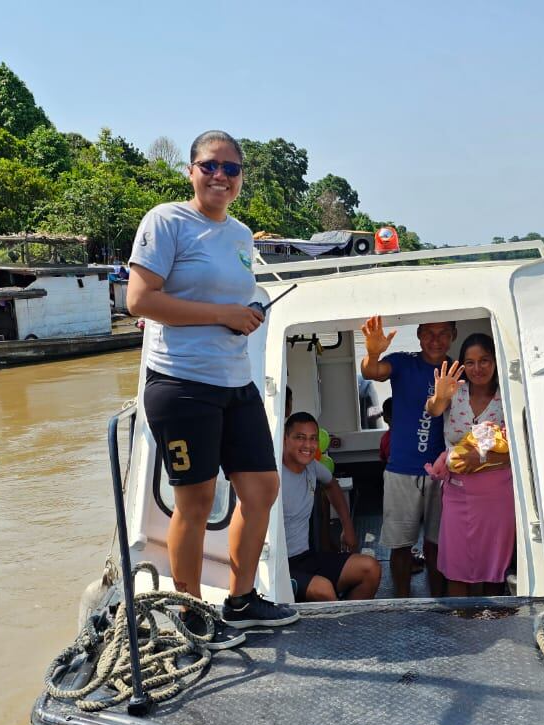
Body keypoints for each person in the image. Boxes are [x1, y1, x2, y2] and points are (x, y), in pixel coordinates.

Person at [126, 130, 297, 629]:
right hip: (181, 384)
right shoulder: (166, 221)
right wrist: (222, 314)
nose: (220, 176)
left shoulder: (242, 235)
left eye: (231, 169)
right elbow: (140, 300)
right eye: (210, 166)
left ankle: (242, 600)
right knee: (196, 501)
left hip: (234, 381)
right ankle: (191, 609)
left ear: (242, 178)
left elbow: (233, 296)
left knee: (262, 488)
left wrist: (247, 310)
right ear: (191, 170)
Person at [359, 314, 456, 597]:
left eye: (442, 333)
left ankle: (438, 603)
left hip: (442, 473)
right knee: (400, 546)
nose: (435, 340)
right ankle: (402, 601)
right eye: (429, 333)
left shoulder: (457, 369)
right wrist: (373, 352)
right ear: (418, 335)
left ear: (453, 334)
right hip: (401, 470)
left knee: (436, 545)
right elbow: (371, 372)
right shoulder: (403, 362)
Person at [426, 333, 515, 596]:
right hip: (457, 492)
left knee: (494, 567)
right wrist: (439, 396)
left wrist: (483, 458)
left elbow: (520, 450)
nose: (478, 369)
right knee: (456, 565)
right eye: (471, 362)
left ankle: (492, 623)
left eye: (485, 360)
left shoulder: (508, 396)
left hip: (498, 495)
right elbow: (433, 409)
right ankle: (460, 631)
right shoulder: (455, 392)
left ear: (495, 362)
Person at [281, 412, 381, 601]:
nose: (308, 446)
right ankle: (338, 628)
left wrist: (348, 527)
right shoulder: (273, 476)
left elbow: (331, 484)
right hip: (279, 567)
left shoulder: (311, 466)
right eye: (300, 438)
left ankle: (347, 625)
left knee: (371, 569)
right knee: (324, 589)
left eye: (313, 439)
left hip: (307, 557)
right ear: (285, 439)